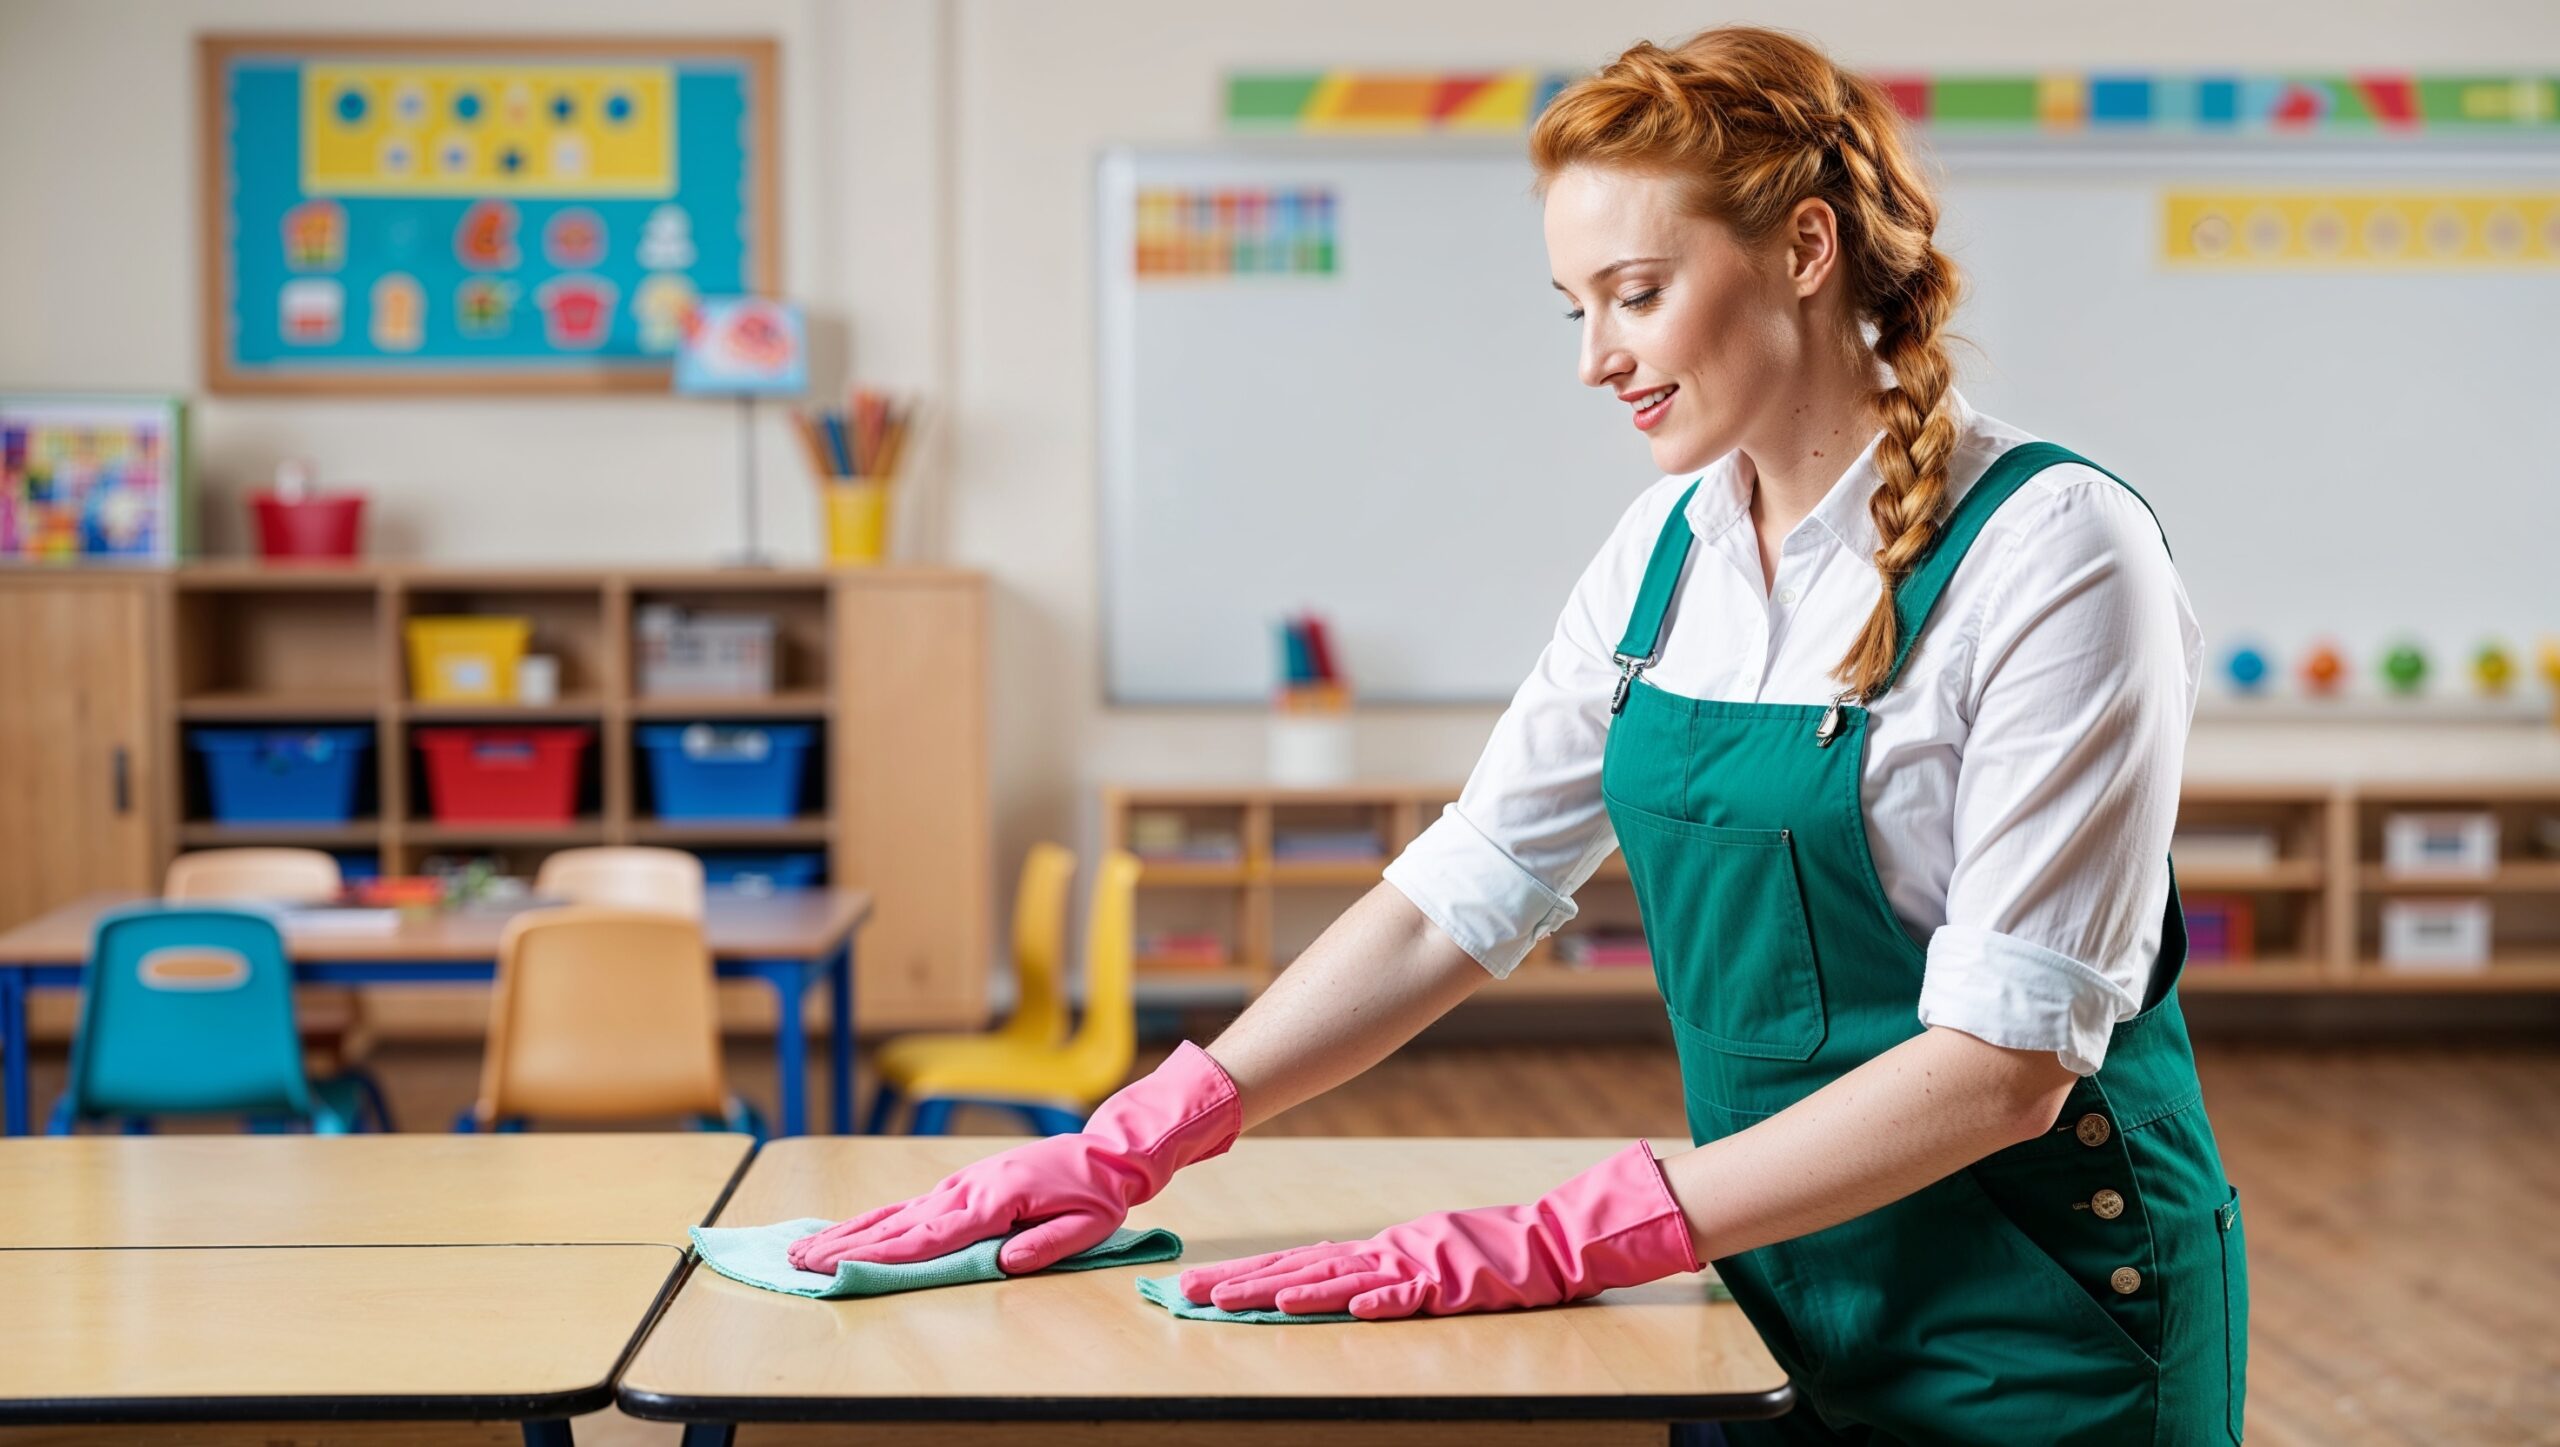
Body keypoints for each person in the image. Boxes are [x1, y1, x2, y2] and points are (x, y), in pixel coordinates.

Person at [791, 24, 2247, 1444]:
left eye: (1635, 293)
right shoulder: (1665, 551)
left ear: (1805, 253)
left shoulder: (2056, 551)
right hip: (1769, 1285)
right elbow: (1461, 896)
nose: (1596, 360)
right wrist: (1145, 1134)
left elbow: (2005, 1063)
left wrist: (1575, 1234)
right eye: (1578, 309)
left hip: (2050, 1319)